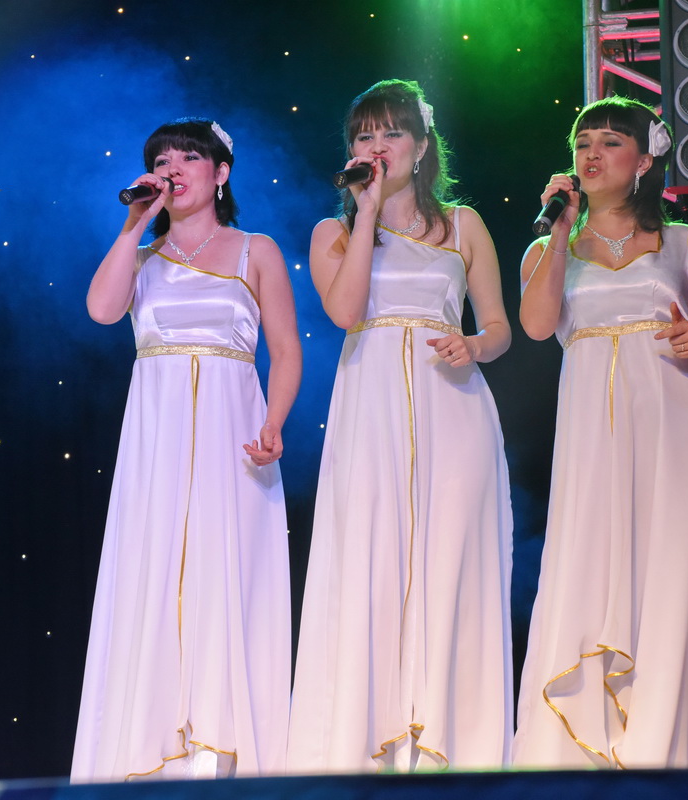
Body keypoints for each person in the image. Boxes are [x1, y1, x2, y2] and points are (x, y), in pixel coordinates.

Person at [513, 96, 688, 769]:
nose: (591, 154)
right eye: (582, 142)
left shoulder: (682, 241)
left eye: (610, 142)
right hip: (593, 438)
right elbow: (536, 325)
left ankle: (669, 749)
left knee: (672, 576)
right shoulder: (549, 248)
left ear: (644, 161)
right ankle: (582, 754)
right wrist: (560, 230)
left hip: (680, 433)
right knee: (589, 567)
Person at [287, 79, 513, 772]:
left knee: (450, 565)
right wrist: (365, 216)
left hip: (454, 405)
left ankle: (453, 747)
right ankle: (369, 747)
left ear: (420, 146)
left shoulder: (464, 225)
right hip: (372, 404)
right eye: (365, 135)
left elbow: (500, 328)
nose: (377, 146)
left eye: (391, 133)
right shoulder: (332, 232)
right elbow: (345, 312)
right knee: (373, 560)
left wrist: (473, 345)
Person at [72, 118, 301, 781]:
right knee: (153, 576)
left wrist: (275, 424)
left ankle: (222, 759)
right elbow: (101, 310)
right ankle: (149, 756)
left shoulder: (256, 249)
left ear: (220, 173)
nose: (173, 169)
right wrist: (133, 225)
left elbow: (286, 350)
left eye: (188, 158)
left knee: (225, 581)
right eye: (162, 159)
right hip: (158, 443)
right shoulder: (143, 259)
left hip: (235, 441)